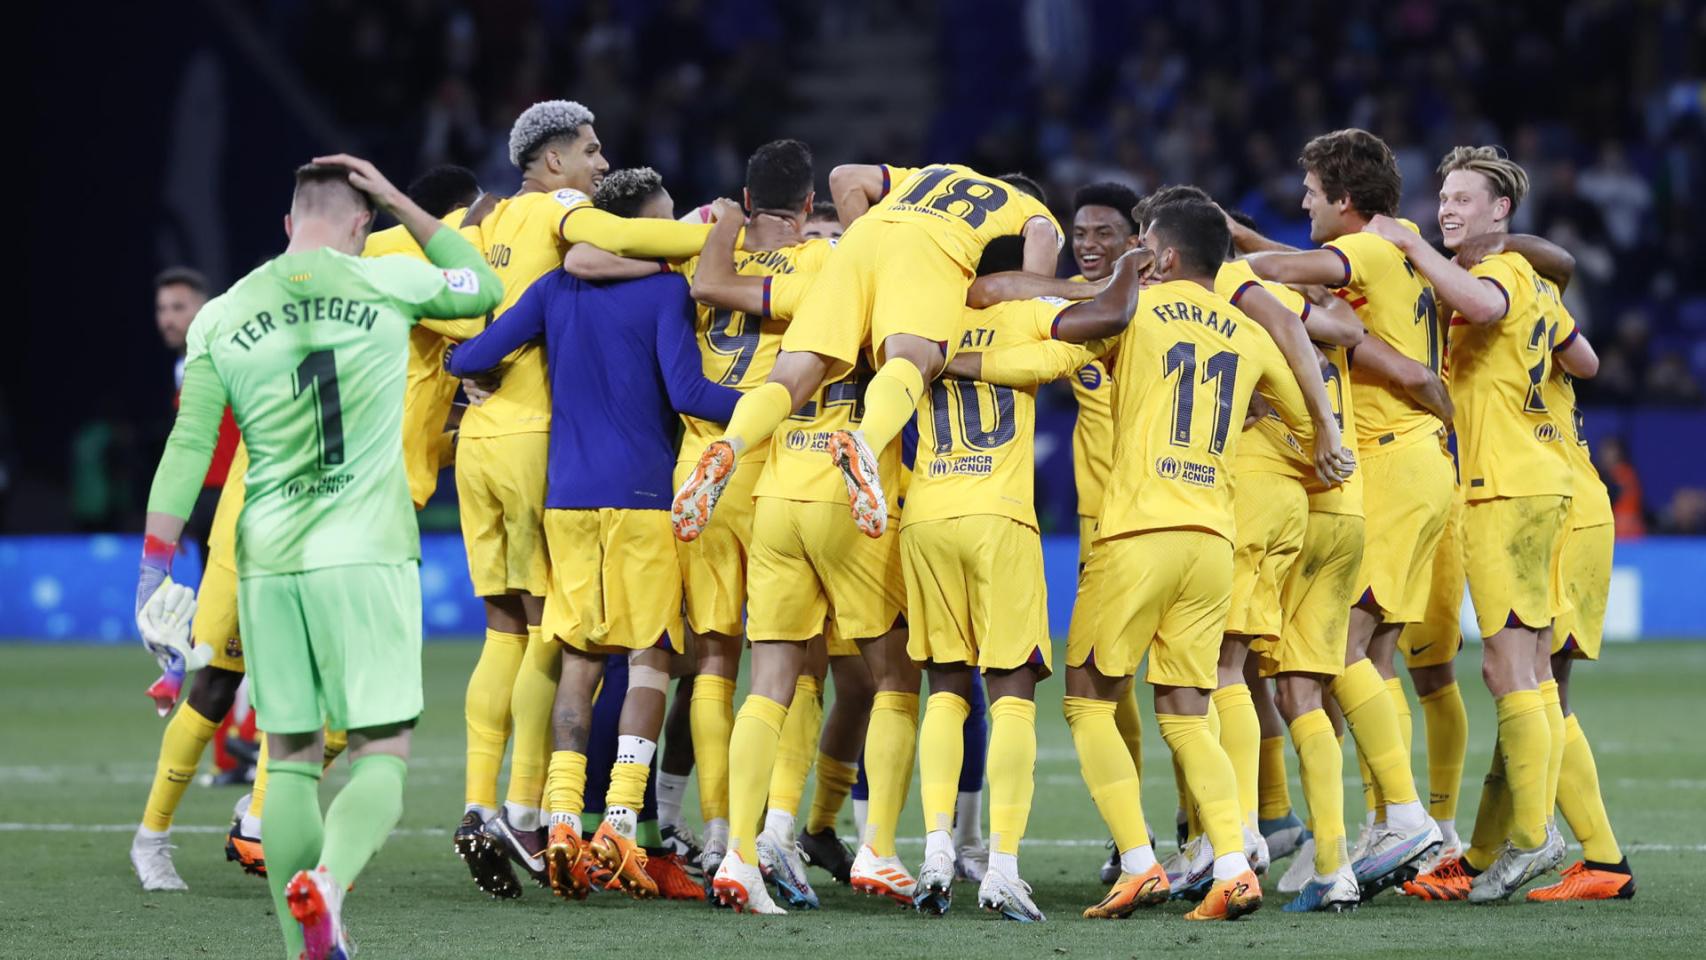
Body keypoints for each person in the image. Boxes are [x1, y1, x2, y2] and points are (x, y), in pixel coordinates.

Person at [135, 155, 502, 959]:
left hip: (266, 553)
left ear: (287, 222)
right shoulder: (387, 281)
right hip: (365, 547)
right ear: (362, 221)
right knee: (381, 753)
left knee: (289, 758)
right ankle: (328, 884)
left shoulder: (221, 315)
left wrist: (155, 570)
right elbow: (484, 285)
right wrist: (405, 200)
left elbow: (189, 446)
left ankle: (308, 941)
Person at [452, 100, 733, 897]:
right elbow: (687, 389)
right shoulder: (664, 293)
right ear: (639, 229)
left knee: (577, 655)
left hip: (566, 498)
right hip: (642, 497)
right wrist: (768, 405)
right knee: (649, 659)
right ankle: (619, 825)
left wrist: (471, 376)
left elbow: (472, 350)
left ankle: (561, 819)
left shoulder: (549, 290)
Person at [1365, 146, 1596, 902]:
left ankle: (1532, 838)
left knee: (1509, 670)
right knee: (1526, 672)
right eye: (1445, 197)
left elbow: (1490, 306)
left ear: (1502, 212)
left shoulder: (1494, 277)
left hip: (1503, 486)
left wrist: (1410, 246)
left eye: (1467, 197)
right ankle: (1528, 838)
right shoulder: (1529, 279)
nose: (1449, 208)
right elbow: (1584, 361)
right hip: (1543, 479)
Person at [1232, 129, 1447, 894]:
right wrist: (1238, 234)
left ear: (1345, 202)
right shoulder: (1406, 241)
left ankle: (1405, 814)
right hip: (1417, 464)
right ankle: (1387, 817)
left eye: (1313, 194)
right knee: (1372, 657)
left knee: (1337, 653)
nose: (1301, 203)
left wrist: (1213, 264)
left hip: (1387, 459)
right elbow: (1309, 267)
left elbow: (1290, 271)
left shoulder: (1374, 253)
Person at [672, 162, 1063, 543]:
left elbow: (843, 178)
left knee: (790, 379)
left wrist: (869, 266)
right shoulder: (1030, 209)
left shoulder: (928, 174)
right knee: (912, 361)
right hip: (925, 252)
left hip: (858, 243)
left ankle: (732, 444)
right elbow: (1036, 285)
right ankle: (866, 445)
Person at [902, 237, 1089, 922]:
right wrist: (1065, 287)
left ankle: (935, 853)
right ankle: (1002, 866)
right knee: (1011, 694)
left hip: (926, 514)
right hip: (998, 517)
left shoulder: (920, 312)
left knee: (946, 691)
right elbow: (1098, 329)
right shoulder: (1032, 312)